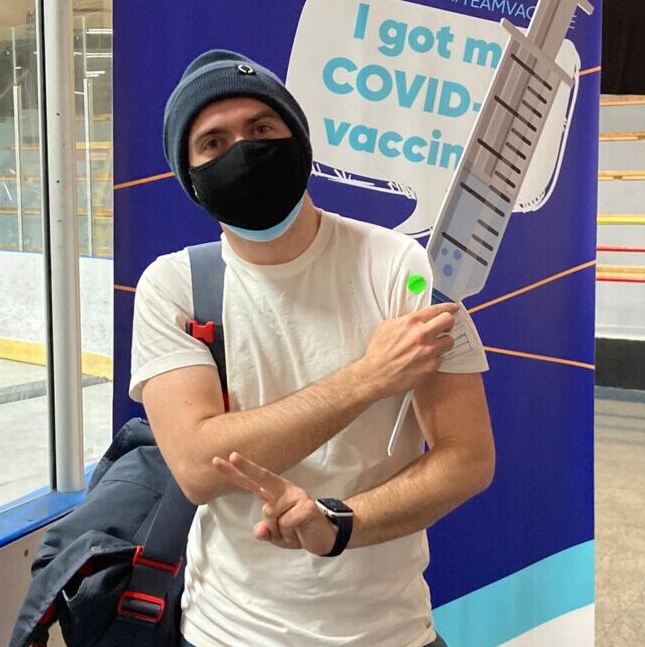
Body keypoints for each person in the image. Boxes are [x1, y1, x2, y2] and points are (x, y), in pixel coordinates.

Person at [130, 49, 495, 647]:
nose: (242, 151)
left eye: (261, 129)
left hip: (391, 630)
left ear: (298, 139)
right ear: (189, 176)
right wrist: (369, 377)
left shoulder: (399, 267)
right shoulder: (176, 287)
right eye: (213, 142)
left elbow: (467, 456)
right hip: (230, 632)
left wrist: (340, 525)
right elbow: (199, 466)